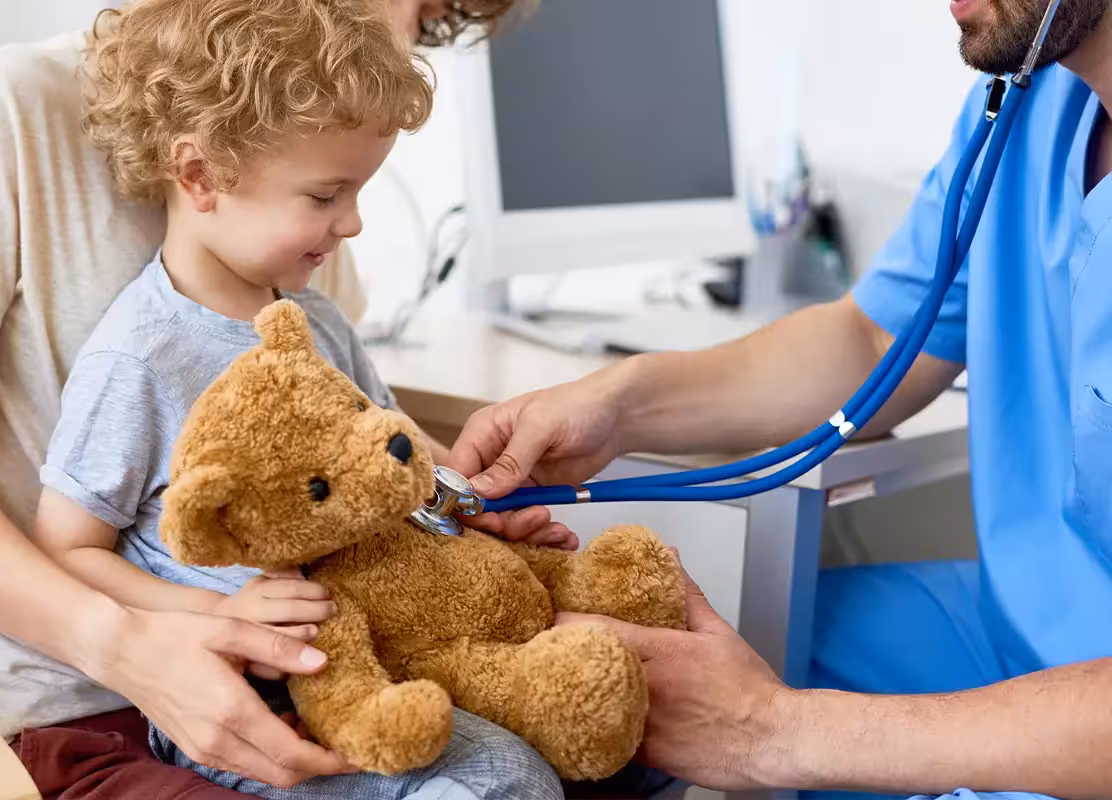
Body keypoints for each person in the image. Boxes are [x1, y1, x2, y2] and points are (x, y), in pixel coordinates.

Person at [447, 1, 1112, 799]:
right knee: (680, 646)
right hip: (1020, 628)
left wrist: (772, 731)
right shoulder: (1027, 104)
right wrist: (619, 406)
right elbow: (873, 342)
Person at [0, 0, 550, 798]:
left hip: (320, 661)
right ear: (198, 175)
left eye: (422, 16)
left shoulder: (300, 233)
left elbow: (348, 464)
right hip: (69, 706)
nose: (400, 30)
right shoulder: (7, 112)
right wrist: (138, 642)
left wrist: (465, 498)